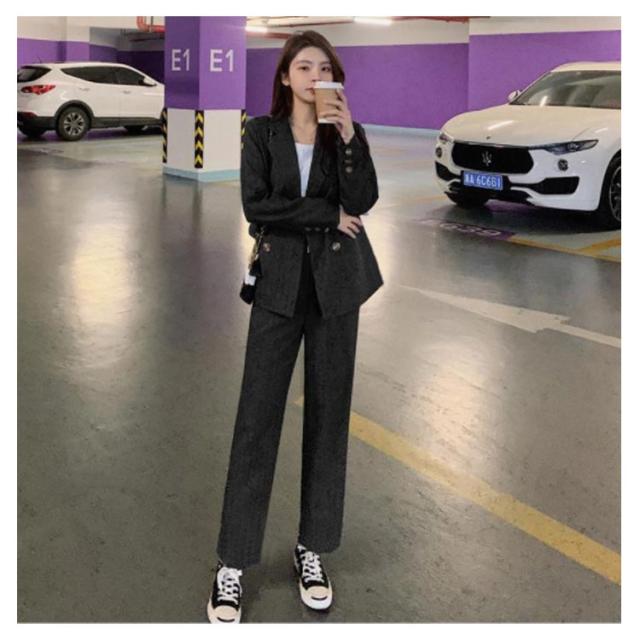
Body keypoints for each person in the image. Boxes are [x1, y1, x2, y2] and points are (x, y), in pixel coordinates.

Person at [207, 30, 383, 623]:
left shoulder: (347, 136)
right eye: (303, 67)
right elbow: (257, 205)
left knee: (330, 419)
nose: (314, 77)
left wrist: (350, 137)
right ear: (285, 76)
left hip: (338, 290)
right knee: (256, 418)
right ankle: (233, 561)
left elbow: (365, 198)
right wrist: (328, 214)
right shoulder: (262, 133)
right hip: (279, 288)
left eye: (323, 68)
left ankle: (313, 549)